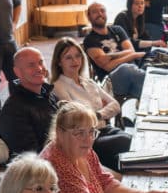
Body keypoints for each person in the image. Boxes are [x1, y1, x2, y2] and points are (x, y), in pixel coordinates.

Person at [50, 37, 131, 171]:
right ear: (59, 62)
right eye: (68, 58)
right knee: (127, 142)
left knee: (132, 141)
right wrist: (102, 113)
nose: (75, 61)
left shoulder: (88, 82)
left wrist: (97, 115)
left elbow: (115, 105)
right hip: (86, 139)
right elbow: (76, 118)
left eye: (77, 56)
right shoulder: (58, 86)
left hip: (104, 129)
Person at [0, 48, 60, 156]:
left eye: (41, 62)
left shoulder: (48, 94)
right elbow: (32, 155)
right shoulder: (13, 111)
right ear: (17, 72)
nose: (39, 68)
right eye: (31, 65)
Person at [82, 1, 146, 98]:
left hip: (134, 72)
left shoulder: (117, 30)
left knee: (151, 63)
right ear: (89, 17)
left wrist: (110, 57)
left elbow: (130, 51)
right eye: (95, 12)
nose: (100, 14)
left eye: (102, 11)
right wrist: (132, 56)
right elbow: (107, 67)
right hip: (111, 80)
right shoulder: (90, 40)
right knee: (127, 68)